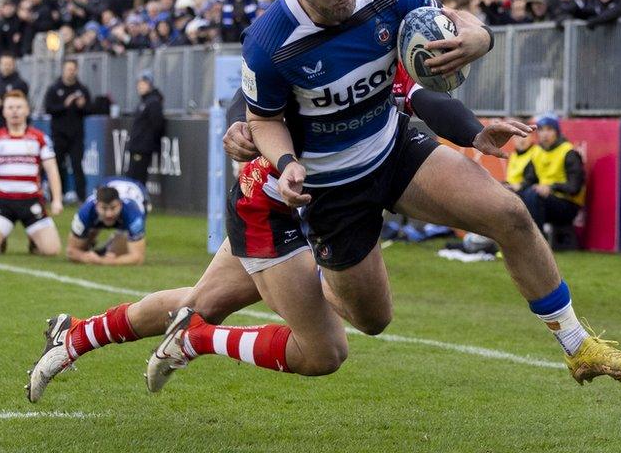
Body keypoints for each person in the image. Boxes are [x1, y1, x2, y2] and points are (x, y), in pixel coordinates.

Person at [237, 0, 621, 383]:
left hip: (394, 149)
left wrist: (481, 38)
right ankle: (302, 280)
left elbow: (453, 22)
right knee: (373, 320)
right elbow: (261, 121)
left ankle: (579, 346)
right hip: (333, 186)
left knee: (509, 214)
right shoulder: (268, 42)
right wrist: (286, 162)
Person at [28, 58, 529, 401]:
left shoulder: (368, 51)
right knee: (326, 350)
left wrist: (472, 128)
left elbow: (419, 96)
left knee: (199, 302)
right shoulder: (289, 51)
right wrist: (241, 134)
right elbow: (245, 112)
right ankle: (198, 341)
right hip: (273, 212)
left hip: (318, 208)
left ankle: (75, 336)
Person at [0, 90, 64, 256]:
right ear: (4, 111)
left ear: (27, 110)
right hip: (4, 202)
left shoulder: (39, 138)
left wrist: (57, 200)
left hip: (31, 201)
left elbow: (52, 169)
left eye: (19, 107)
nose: (15, 111)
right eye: (10, 107)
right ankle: (1, 237)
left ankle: (33, 239)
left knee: (53, 251)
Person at [518, 115, 586, 245]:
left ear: (557, 132)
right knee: (515, 196)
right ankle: (517, 242)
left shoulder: (568, 152)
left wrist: (551, 187)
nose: (545, 134)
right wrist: (516, 187)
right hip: (543, 199)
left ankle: (536, 242)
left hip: (567, 204)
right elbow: (530, 180)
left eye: (549, 129)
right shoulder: (537, 152)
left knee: (533, 195)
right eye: (541, 130)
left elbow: (574, 187)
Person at [65, 178, 150, 266]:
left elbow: (138, 258)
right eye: (104, 208)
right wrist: (85, 257)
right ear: (96, 205)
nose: (109, 214)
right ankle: (93, 236)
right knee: (83, 245)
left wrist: (103, 261)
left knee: (117, 251)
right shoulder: (85, 211)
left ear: (120, 205)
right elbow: (71, 251)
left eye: (113, 208)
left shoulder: (133, 214)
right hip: (107, 187)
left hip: (138, 193)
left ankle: (111, 244)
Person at [44, 59, 91, 202]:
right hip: (59, 134)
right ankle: (57, 196)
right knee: (57, 165)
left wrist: (83, 106)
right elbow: (49, 109)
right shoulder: (54, 88)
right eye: (68, 69)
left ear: (76, 70)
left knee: (77, 165)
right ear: (63, 70)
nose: (70, 72)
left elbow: (90, 110)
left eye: (73, 69)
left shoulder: (82, 89)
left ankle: (81, 197)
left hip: (76, 134)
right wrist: (64, 105)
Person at [125, 72, 165, 185]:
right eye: (139, 83)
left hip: (142, 148)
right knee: (132, 177)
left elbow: (157, 125)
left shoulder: (153, 102)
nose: (140, 86)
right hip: (137, 146)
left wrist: (148, 142)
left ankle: (139, 201)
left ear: (150, 84)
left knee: (137, 179)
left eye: (143, 83)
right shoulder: (144, 102)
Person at [0, 52, 29, 133]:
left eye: (9, 64)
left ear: (14, 65)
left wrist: (1, 103)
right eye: (4, 64)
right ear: (0, 65)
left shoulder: (20, 83)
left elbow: (20, 104)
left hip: (13, 127)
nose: (6, 67)